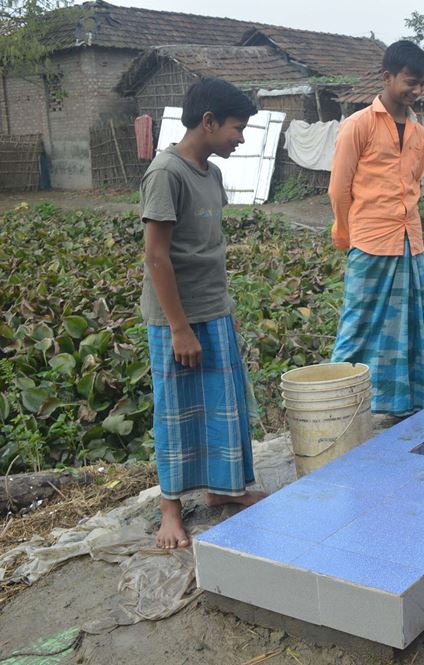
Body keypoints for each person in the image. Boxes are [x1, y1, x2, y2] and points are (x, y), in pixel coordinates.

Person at [140, 77, 264, 550]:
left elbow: (209, 249)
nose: (241, 138)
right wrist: (179, 328)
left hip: (214, 309)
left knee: (222, 403)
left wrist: (224, 311)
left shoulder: (210, 174)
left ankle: (222, 490)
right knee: (176, 412)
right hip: (177, 317)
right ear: (208, 122)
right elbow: (157, 257)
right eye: (237, 128)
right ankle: (170, 511)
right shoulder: (166, 173)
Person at [328, 41, 424, 417]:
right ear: (387, 77)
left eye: (422, 84)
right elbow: (339, 188)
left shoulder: (418, 132)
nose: (416, 91)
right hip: (369, 241)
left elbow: (414, 184)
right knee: (356, 328)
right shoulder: (358, 125)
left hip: (410, 241)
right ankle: (335, 408)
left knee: (409, 328)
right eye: (410, 83)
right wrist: (346, 235)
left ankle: (400, 405)